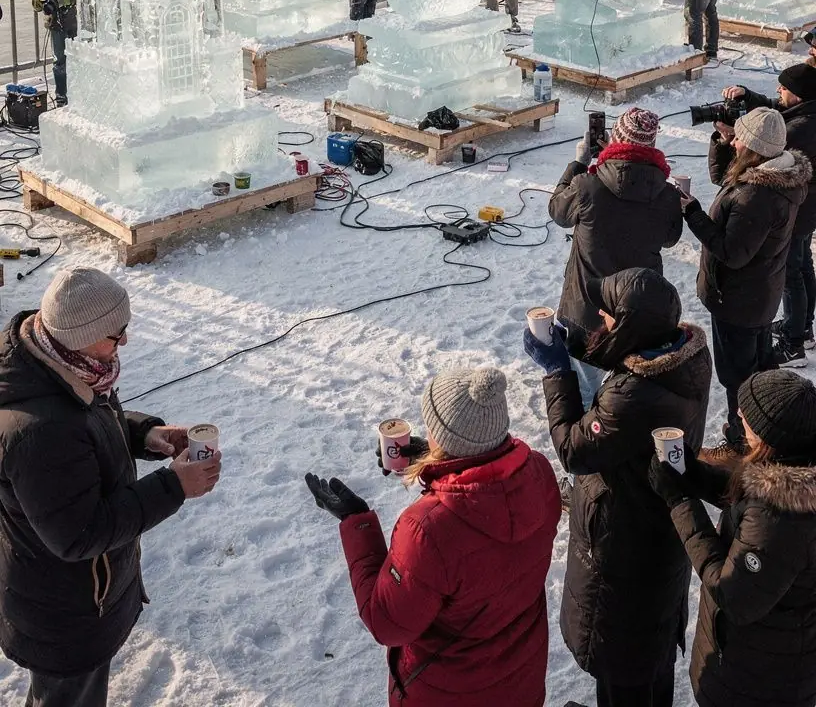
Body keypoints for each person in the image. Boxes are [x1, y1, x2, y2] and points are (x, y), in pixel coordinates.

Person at [0, 267, 221, 707]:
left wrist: (142, 434)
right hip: (63, 613)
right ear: (79, 333)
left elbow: (86, 420)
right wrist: (173, 486)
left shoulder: (59, 362)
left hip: (73, 596)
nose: (125, 343)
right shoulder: (41, 432)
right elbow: (80, 533)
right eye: (116, 335)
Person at [305, 365, 561, 707]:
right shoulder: (539, 473)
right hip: (519, 680)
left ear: (445, 435)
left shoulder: (428, 529)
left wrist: (357, 523)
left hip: (448, 691)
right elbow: (491, 494)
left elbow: (387, 623)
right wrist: (436, 459)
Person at [525, 268, 711, 707]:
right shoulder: (687, 356)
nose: (601, 320)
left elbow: (574, 449)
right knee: (651, 658)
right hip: (661, 533)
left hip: (625, 548)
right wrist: (579, 344)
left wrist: (557, 372)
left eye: (608, 317)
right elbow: (634, 360)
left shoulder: (630, 398)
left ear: (629, 327)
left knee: (624, 670)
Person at [650, 370, 816, 707]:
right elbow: (751, 492)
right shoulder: (795, 464)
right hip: (765, 658)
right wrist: (693, 476)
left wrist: (680, 502)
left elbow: (734, 595)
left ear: (772, 438)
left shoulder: (781, 518)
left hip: (758, 679)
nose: (739, 415)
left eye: (749, 416)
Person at [680, 106, 811, 455]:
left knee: (737, 376)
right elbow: (724, 179)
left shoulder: (757, 196)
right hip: (759, 295)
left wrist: (692, 213)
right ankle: (771, 435)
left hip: (737, 301)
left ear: (755, 150)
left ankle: (743, 443)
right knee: (759, 365)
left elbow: (732, 252)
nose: (735, 142)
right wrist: (722, 142)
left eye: (739, 139)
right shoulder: (773, 177)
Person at [548, 107, 683, 407]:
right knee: (627, 395)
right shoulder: (667, 194)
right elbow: (670, 239)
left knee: (583, 390)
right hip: (637, 313)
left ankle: (584, 443)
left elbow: (557, 210)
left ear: (616, 140)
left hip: (586, 309)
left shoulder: (588, 185)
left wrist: (578, 162)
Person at [722, 61, 816, 365]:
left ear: (798, 96)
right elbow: (777, 108)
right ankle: (802, 328)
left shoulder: (799, 129)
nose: (778, 91)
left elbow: (767, 141)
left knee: (791, 275)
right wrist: (747, 95)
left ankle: (793, 343)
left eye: (784, 88)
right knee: (802, 267)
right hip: (807, 207)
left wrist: (735, 139)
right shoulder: (806, 112)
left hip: (797, 211)